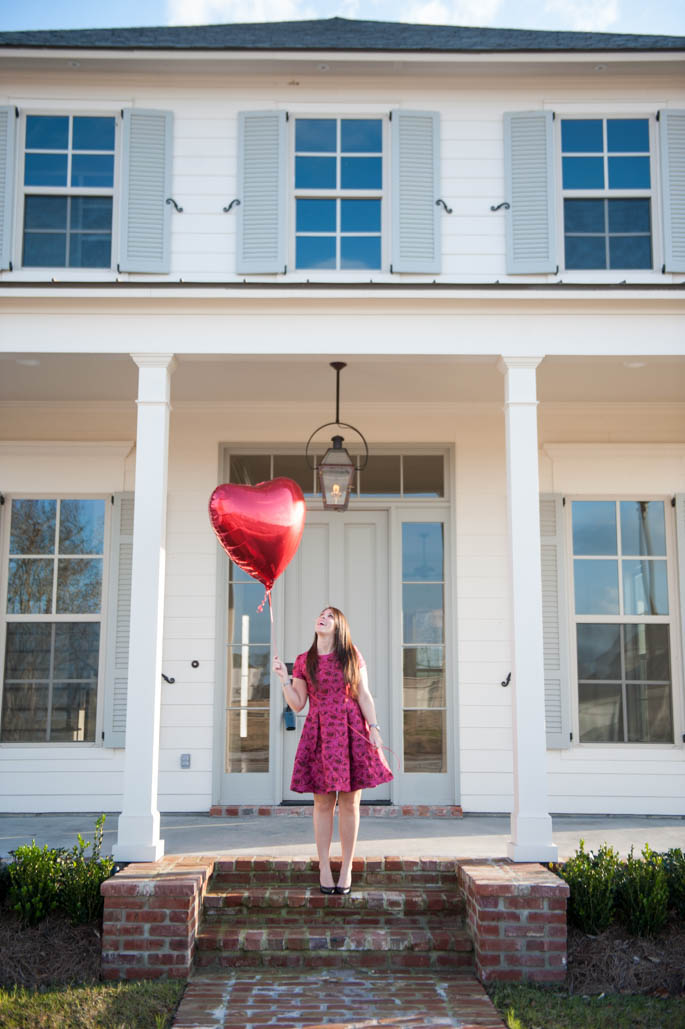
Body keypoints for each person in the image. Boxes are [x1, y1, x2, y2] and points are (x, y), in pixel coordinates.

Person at [273, 606, 393, 895]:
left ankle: (347, 866)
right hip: (321, 733)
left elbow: (363, 695)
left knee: (350, 804)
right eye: (321, 614)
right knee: (323, 804)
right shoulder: (304, 660)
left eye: (330, 615)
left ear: (339, 626)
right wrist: (283, 679)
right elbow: (298, 703)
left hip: (352, 731)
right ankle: (325, 866)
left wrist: (374, 729)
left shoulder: (352, 654)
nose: (323, 617)